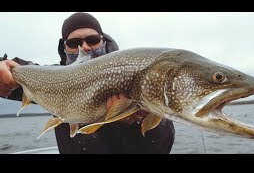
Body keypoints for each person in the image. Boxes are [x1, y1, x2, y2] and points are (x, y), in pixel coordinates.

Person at [0, 12, 175, 154]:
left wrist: (135, 122)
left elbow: (162, 146)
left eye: (92, 40)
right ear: (64, 48)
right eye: (74, 43)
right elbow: (24, 70)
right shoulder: (50, 78)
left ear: (103, 41)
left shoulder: (137, 76)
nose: (84, 47)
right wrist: (4, 67)